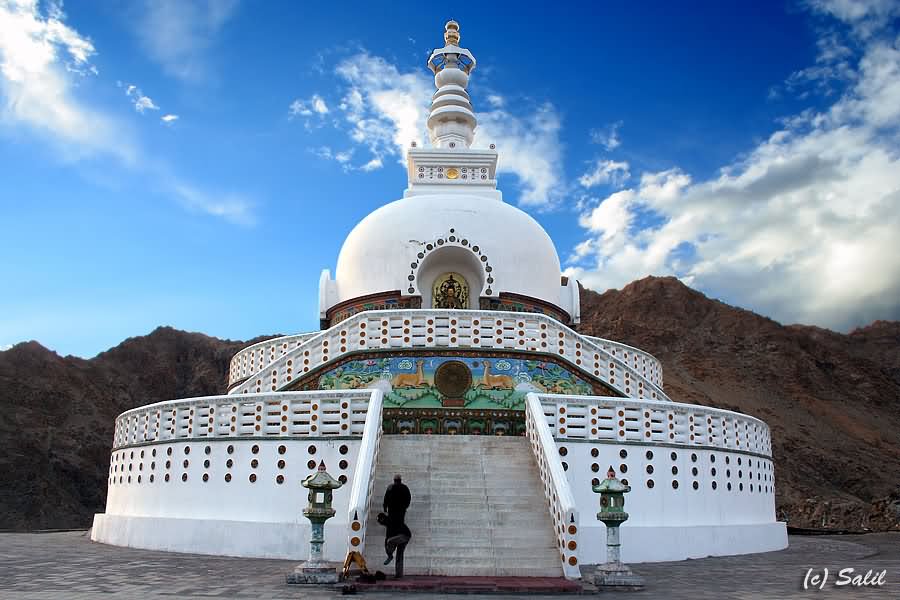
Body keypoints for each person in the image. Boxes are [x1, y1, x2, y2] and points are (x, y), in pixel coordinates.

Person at [382, 474, 411, 577]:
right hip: (401, 512)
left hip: (403, 535)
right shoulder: (405, 488)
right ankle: (399, 574)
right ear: (400, 480)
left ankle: (390, 555)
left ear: (394, 480)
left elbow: (385, 499)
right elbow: (408, 499)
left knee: (389, 541)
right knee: (400, 553)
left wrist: (385, 508)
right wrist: (404, 507)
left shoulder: (390, 487)